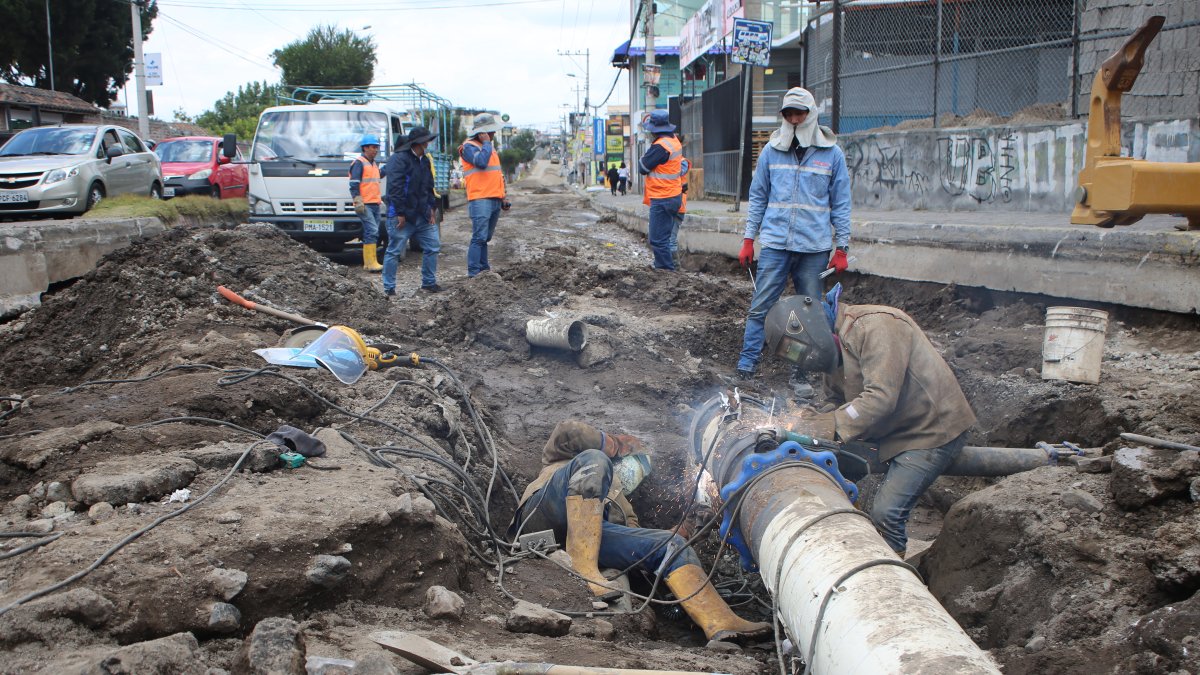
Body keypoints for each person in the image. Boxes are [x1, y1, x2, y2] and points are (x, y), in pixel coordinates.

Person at [508, 421, 771, 644]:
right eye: (634, 463)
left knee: (670, 544)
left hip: (590, 533)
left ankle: (720, 623)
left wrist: (684, 531)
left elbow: (633, 545)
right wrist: (613, 445)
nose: (636, 471)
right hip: (543, 516)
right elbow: (566, 431)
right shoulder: (568, 459)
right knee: (594, 461)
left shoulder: (622, 505)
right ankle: (584, 569)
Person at [762, 290, 977, 557]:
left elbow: (881, 397)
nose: (803, 359)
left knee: (886, 512)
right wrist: (816, 419)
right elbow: (836, 400)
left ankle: (892, 570)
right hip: (889, 429)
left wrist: (833, 422)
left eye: (796, 349)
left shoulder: (875, 326)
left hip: (929, 430)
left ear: (807, 329)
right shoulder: (835, 347)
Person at [735, 88, 852, 380]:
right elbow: (758, 196)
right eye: (789, 114)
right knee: (761, 305)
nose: (795, 120)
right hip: (776, 243)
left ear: (811, 114)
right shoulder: (771, 152)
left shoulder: (831, 155)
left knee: (810, 313)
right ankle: (746, 365)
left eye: (800, 113)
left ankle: (801, 375)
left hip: (814, 247)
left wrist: (842, 247)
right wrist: (749, 238)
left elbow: (841, 202)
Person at [383, 126, 442, 295]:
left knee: (433, 246)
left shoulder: (424, 160)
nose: (428, 143)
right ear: (419, 142)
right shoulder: (399, 159)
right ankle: (389, 289)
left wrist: (431, 208)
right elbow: (395, 188)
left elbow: (428, 186)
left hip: (421, 214)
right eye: (426, 141)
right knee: (394, 251)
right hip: (402, 216)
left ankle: (429, 283)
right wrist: (400, 213)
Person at [460, 113, 511, 278]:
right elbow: (481, 163)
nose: (494, 134)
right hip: (480, 198)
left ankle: (484, 269)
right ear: (482, 133)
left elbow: (497, 174)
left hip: (494, 198)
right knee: (479, 237)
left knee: (485, 237)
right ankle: (474, 273)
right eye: (491, 132)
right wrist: (487, 143)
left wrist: (503, 196)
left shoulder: (490, 148)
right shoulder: (468, 147)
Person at [636, 110, 685, 271]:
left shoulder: (660, 146)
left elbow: (642, 167)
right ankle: (667, 270)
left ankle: (665, 272)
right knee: (665, 238)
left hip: (663, 197)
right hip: (673, 196)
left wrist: (644, 158)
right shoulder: (674, 141)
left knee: (658, 239)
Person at [349, 135, 384, 272]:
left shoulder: (373, 164)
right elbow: (353, 184)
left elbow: (376, 178)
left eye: (376, 147)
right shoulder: (359, 163)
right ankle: (370, 263)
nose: (376, 150)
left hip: (374, 203)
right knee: (372, 230)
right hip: (365, 204)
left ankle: (370, 262)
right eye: (373, 147)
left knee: (372, 231)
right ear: (365, 148)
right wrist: (357, 200)